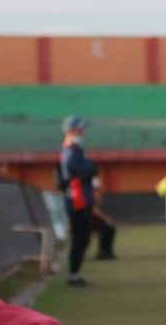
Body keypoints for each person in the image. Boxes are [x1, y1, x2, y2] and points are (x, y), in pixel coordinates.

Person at [58, 115, 98, 286]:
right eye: (79, 129)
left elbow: (89, 169)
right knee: (79, 238)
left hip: (81, 199)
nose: (82, 132)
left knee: (83, 238)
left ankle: (75, 274)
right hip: (77, 201)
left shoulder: (76, 151)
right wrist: (89, 167)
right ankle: (73, 276)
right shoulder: (71, 151)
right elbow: (83, 170)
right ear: (70, 131)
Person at [91, 178, 117, 260]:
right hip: (87, 219)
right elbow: (93, 210)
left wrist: (105, 218)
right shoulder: (92, 195)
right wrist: (105, 218)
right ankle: (104, 252)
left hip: (92, 219)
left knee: (110, 227)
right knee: (108, 228)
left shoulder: (96, 194)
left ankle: (107, 251)